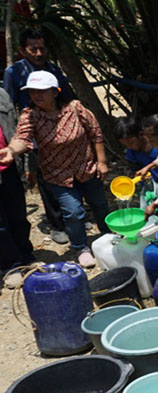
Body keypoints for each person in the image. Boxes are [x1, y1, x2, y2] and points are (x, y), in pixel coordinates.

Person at [0, 71, 109, 267]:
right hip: (58, 175)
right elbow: (22, 138)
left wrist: (101, 161)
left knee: (100, 204)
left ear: (55, 91)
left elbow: (95, 133)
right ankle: (80, 247)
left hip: (87, 168)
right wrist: (11, 150)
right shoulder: (30, 115)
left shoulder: (75, 108)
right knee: (73, 212)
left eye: (41, 91)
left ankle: (108, 236)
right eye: (32, 91)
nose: (36, 95)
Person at [4, 28, 77, 244]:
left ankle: (73, 217)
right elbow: (8, 105)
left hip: (62, 130)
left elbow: (68, 96)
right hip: (35, 133)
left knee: (67, 173)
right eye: (33, 49)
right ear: (22, 50)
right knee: (46, 178)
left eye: (42, 48)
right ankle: (57, 224)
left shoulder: (53, 69)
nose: (38, 53)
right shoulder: (14, 72)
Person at [0, 86, 33, 287]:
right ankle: (10, 266)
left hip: (9, 167)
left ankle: (27, 256)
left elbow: (16, 131)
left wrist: (26, 163)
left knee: (18, 216)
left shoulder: (2, 94)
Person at [114, 116, 158, 219]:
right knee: (156, 215)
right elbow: (135, 170)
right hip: (151, 189)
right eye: (126, 145)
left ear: (141, 134)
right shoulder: (131, 154)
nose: (130, 147)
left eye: (131, 143)